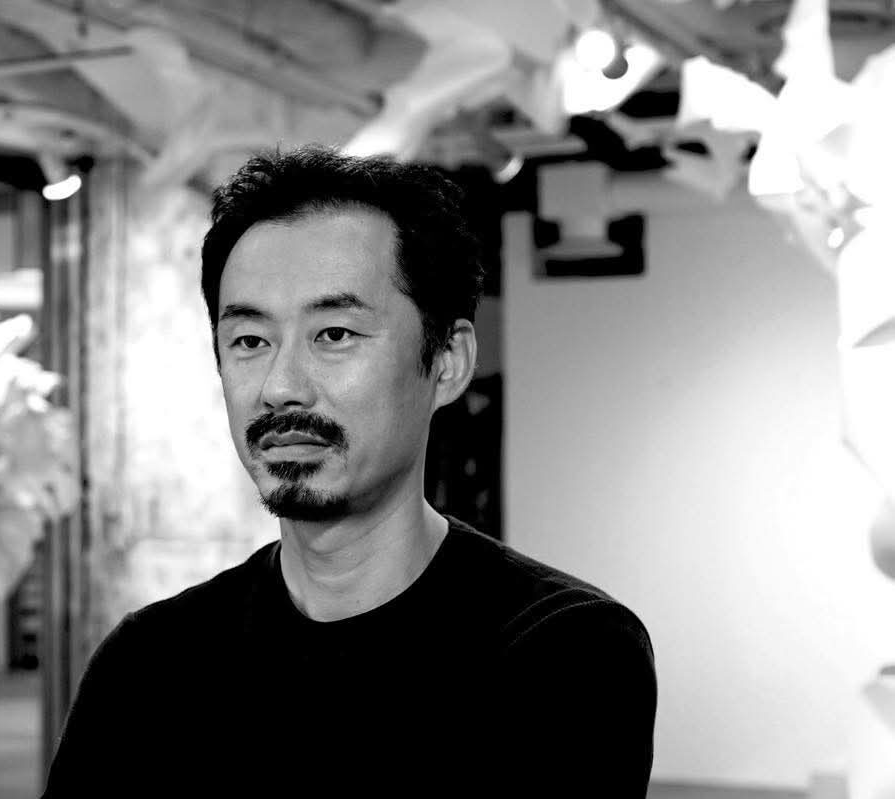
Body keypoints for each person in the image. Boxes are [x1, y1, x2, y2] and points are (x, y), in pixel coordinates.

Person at [42, 146, 656, 795]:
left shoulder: (562, 651)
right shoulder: (150, 661)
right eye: (250, 341)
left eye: (334, 334)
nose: (280, 386)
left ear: (447, 360)